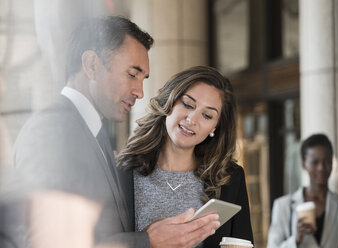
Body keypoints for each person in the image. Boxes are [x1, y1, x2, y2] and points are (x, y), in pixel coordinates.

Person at [13, 16, 219, 248]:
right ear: (91, 64)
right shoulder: (52, 133)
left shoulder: (94, 133)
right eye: (132, 74)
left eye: (143, 79)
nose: (140, 92)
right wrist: (147, 241)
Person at [116, 65, 254, 247]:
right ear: (169, 102)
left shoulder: (229, 179)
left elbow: (243, 242)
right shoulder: (122, 173)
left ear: (215, 127)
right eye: (188, 104)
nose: (192, 120)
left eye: (207, 115)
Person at [267, 134, 338, 248]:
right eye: (315, 162)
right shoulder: (283, 206)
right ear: (304, 164)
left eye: (327, 161)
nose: (321, 167)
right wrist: (296, 239)